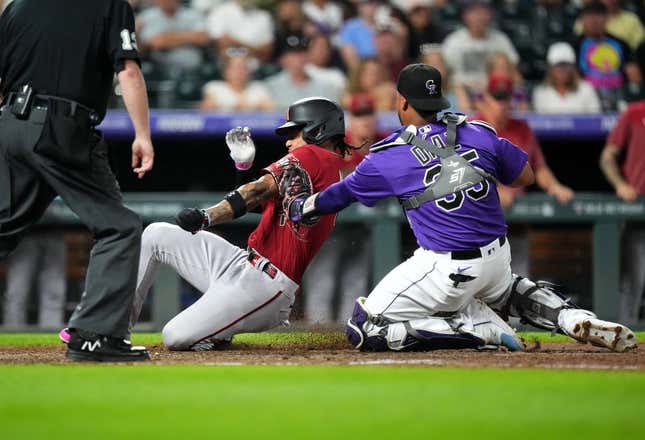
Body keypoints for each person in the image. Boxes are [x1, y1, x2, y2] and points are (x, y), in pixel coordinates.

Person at [287, 63, 636, 353]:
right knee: (508, 290)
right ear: (438, 99)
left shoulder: (387, 155)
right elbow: (525, 176)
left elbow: (340, 195)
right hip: (497, 258)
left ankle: (469, 329)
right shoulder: (479, 130)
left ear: (403, 102)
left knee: (364, 328)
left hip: (446, 268)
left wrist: (304, 206)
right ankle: (570, 318)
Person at [129, 98, 352, 350]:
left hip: (266, 286)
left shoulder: (313, 155)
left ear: (318, 129)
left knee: (175, 336)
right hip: (243, 263)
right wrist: (244, 169)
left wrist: (206, 216)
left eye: (295, 132)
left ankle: (215, 334)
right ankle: (116, 330)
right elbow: (259, 204)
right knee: (156, 234)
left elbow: (256, 192)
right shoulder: (322, 169)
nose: (288, 141)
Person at [0, 0, 154, 362]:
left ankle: (94, 332)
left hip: (11, 124)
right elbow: (128, 71)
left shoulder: (19, 6)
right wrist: (143, 134)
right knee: (119, 227)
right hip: (60, 127)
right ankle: (95, 335)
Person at [472, 72, 574, 276]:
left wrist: (554, 185)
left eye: (505, 98)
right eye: (496, 98)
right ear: (486, 99)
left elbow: (539, 167)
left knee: (517, 282)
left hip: (516, 222)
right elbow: (462, 170)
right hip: (480, 224)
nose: (501, 104)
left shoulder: (522, 128)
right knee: (480, 287)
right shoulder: (472, 127)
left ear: (512, 100)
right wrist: (494, 191)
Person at [600, 100, 645, 324]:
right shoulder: (635, 113)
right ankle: (627, 333)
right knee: (635, 280)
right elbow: (607, 157)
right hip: (637, 210)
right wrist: (620, 184)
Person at [441, 0, 519, 99]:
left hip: (494, 94)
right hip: (460, 94)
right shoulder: (453, 41)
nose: (480, 17)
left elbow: (514, 72)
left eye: (485, 12)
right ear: (465, 16)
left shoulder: (500, 40)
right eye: (476, 13)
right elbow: (444, 73)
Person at [571, 1, 634, 111]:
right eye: (589, 16)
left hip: (618, 95)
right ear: (581, 19)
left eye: (599, 15)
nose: (594, 21)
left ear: (608, 18)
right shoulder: (574, 45)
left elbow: (632, 73)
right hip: (586, 97)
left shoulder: (621, 44)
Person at [2, 229, 66, 330]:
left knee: (54, 293)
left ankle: (51, 339)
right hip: (22, 232)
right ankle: (11, 338)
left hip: (55, 230)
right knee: (17, 293)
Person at [265, 32, 341, 111]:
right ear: (283, 59)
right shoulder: (270, 87)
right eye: (294, 54)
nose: (300, 58)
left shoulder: (325, 87)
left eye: (303, 53)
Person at [137, 0, 210, 72]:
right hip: (159, 69)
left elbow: (202, 38)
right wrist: (189, 36)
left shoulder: (193, 14)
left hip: (193, 69)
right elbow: (157, 43)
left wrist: (168, 38)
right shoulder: (146, 17)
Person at [532, 41, 602, 114]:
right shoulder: (541, 93)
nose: (562, 70)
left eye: (566, 65)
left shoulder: (587, 89)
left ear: (573, 68)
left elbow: (595, 120)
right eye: (558, 66)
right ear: (550, 68)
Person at [199, 48, 274, 112]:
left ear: (249, 71)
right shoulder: (214, 87)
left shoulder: (258, 87)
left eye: (243, 67)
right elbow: (207, 109)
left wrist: (225, 105)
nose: (239, 72)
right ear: (225, 71)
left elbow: (270, 109)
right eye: (235, 68)